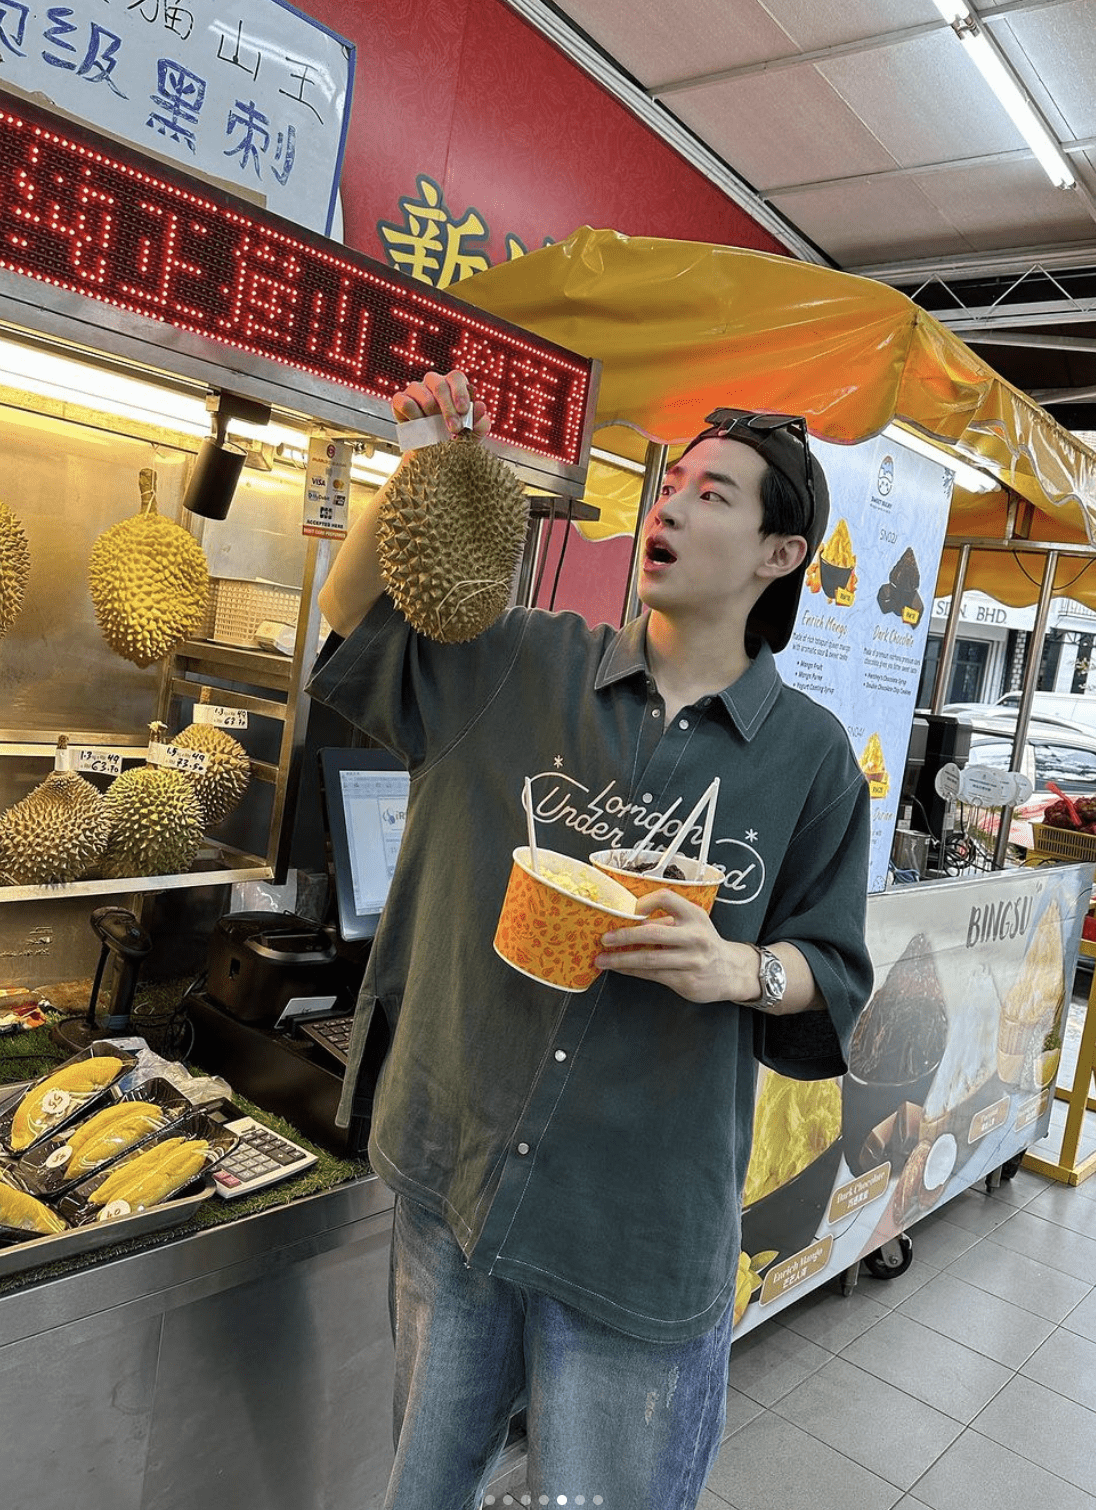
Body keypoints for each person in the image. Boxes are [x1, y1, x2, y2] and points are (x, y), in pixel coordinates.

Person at [309, 369, 872, 1510]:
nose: (668, 505)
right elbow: (350, 618)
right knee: (422, 1488)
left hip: (635, 1227)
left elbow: (832, 970)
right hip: (454, 1173)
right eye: (670, 485)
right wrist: (420, 464)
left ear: (779, 554)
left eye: (713, 494)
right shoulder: (516, 660)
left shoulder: (808, 757)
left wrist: (739, 968)